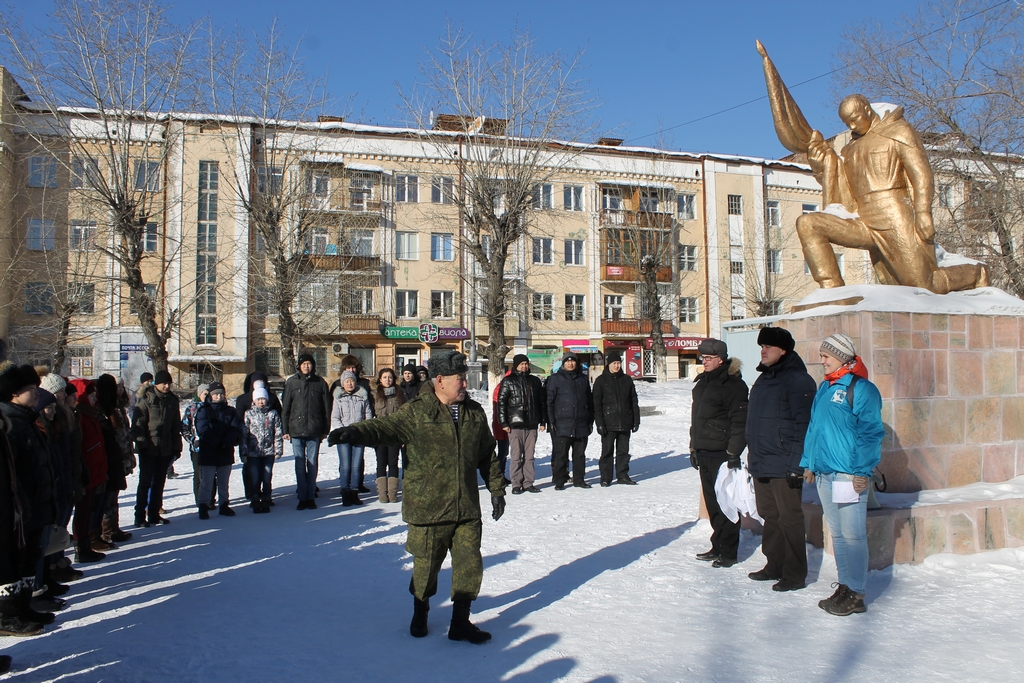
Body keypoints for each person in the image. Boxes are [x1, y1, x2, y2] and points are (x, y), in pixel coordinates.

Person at [330, 350, 506, 644]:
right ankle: (420, 612)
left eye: (464, 378)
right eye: (460, 379)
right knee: (425, 569)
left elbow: (487, 454)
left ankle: (460, 622)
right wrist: (355, 432)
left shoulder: (475, 413)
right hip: (429, 509)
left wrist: (497, 489)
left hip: (466, 509)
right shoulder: (417, 412)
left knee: (469, 566)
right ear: (439, 381)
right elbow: (385, 427)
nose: (465, 384)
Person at [796, 94, 986, 293]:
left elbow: (920, 173)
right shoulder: (850, 149)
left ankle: (976, 273)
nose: (851, 126)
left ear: (867, 110)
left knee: (925, 286)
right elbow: (839, 182)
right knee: (808, 224)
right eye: (847, 122)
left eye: (854, 119)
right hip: (862, 219)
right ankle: (832, 292)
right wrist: (820, 164)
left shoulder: (898, 131)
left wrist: (923, 213)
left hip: (894, 216)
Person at [802, 333, 884, 616]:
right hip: (824, 474)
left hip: (848, 475)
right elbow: (814, 428)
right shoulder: (824, 388)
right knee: (837, 534)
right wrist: (809, 463)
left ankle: (857, 593)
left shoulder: (862, 389)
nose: (821, 360)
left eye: (826, 355)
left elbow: (871, 433)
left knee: (852, 535)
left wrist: (862, 471)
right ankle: (845, 586)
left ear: (842, 357)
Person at [745, 327, 816, 592]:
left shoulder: (798, 380)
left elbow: (805, 425)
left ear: (783, 350)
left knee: (790, 519)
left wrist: (797, 463)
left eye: (768, 347)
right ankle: (774, 564)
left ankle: (795, 573)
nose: (763, 351)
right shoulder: (763, 379)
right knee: (769, 515)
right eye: (761, 346)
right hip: (762, 462)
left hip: (785, 463)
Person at [689, 338, 749, 568]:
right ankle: (718, 544)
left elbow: (739, 421)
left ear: (721, 359)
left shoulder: (733, 385)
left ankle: (729, 551)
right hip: (704, 450)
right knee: (713, 504)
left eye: (709, 358)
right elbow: (697, 419)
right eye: (702, 357)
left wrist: (734, 451)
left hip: (723, 453)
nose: (704, 361)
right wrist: (693, 447)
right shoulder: (702, 382)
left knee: (726, 504)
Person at [0, 361, 46, 638]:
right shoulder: (13, 425)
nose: (37, 394)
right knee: (11, 563)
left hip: (30, 503)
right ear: (14, 393)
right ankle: (9, 614)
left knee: (27, 558)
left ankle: (22, 607)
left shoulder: (26, 420)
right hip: (17, 506)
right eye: (31, 389)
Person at [131, 370, 181, 527]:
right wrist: (142, 445)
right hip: (149, 448)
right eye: (163, 383)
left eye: (168, 384)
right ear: (156, 384)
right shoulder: (146, 400)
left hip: (165, 448)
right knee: (145, 482)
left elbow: (175, 426)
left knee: (159, 482)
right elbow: (137, 426)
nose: (166, 386)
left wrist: (176, 448)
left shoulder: (172, 401)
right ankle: (140, 515)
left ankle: (154, 513)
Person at [281, 353, 331, 510]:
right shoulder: (291, 383)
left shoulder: (320, 383)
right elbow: (286, 407)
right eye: (303, 364)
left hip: (314, 430)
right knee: (299, 464)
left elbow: (326, 409)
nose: (306, 366)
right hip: (296, 430)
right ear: (299, 366)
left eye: (309, 364)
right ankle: (302, 497)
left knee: (313, 464)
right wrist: (285, 429)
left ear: (313, 366)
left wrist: (325, 430)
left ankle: (311, 496)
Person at [70, 379, 108, 564]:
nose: (94, 398)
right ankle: (81, 546)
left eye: (95, 395)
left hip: (95, 470)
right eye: (90, 395)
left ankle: (86, 543)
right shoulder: (80, 417)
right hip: (86, 472)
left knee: (90, 509)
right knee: (83, 511)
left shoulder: (92, 415)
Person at [545, 351, 594, 490]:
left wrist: (590, 421)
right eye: (567, 361)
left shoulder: (583, 379)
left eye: (573, 361)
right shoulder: (555, 379)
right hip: (562, 424)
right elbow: (550, 402)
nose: (570, 363)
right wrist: (551, 422)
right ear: (563, 363)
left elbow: (589, 402)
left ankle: (579, 479)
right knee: (561, 455)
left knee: (579, 455)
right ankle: (560, 480)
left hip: (581, 424)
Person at [498, 354, 546, 494]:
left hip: (531, 424)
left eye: (526, 363)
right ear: (516, 365)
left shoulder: (535, 381)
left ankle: (528, 483)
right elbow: (501, 403)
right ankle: (516, 484)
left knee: (530, 456)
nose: (524, 366)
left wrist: (543, 421)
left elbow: (541, 402)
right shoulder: (508, 381)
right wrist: (504, 422)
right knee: (516, 455)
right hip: (515, 425)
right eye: (521, 364)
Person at [195, 382, 244, 519]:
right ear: (210, 395)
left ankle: (224, 505)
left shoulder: (231, 411)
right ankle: (203, 505)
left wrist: (227, 442)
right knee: (207, 482)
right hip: (208, 451)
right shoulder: (203, 410)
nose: (219, 396)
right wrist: (215, 442)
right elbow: (202, 429)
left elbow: (235, 428)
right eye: (216, 394)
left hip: (225, 451)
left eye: (221, 394)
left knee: (224, 482)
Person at [592, 351, 641, 486]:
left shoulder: (626, 380)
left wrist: (636, 420)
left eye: (618, 363)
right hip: (608, 423)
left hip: (625, 422)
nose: (617, 366)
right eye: (614, 363)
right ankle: (605, 478)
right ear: (609, 364)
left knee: (623, 452)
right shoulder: (601, 381)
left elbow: (633, 401)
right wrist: (600, 423)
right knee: (607, 452)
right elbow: (596, 404)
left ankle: (622, 475)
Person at [235, 372, 282, 501]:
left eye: (262, 380)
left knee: (266, 474)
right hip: (251, 447)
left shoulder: (271, 399)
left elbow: (278, 421)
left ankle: (266, 497)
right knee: (251, 472)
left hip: (267, 446)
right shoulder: (243, 399)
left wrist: (277, 446)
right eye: (256, 381)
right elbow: (240, 421)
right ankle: (251, 493)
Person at [331, 370, 372, 506]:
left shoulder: (362, 397)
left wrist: (362, 429)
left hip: (358, 435)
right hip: (343, 436)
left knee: (356, 465)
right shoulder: (338, 398)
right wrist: (343, 431)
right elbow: (335, 417)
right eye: (347, 381)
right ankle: (345, 492)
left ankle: (354, 491)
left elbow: (368, 415)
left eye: (352, 381)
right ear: (343, 384)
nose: (350, 383)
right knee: (345, 465)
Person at [371, 367, 404, 504]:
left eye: (390, 377)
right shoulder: (374, 394)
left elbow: (403, 415)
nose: (387, 380)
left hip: (394, 434)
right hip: (380, 434)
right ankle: (382, 493)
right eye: (384, 377)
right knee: (381, 462)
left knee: (393, 462)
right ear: (380, 379)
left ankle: (392, 492)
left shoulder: (399, 394)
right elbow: (370, 415)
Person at [181, 384, 210, 507]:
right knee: (198, 474)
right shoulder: (191, 409)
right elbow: (184, 427)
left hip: (211, 447)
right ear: (199, 395)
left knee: (210, 474)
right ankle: (199, 499)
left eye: (209, 394)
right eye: (204, 394)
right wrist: (192, 440)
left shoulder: (212, 407)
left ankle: (210, 499)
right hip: (197, 448)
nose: (207, 396)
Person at [490, 368, 511, 484]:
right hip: (502, 425)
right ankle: (498, 475)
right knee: (502, 452)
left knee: (504, 452)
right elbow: (499, 408)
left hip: (504, 424)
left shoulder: (502, 385)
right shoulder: (501, 387)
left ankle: (501, 474)